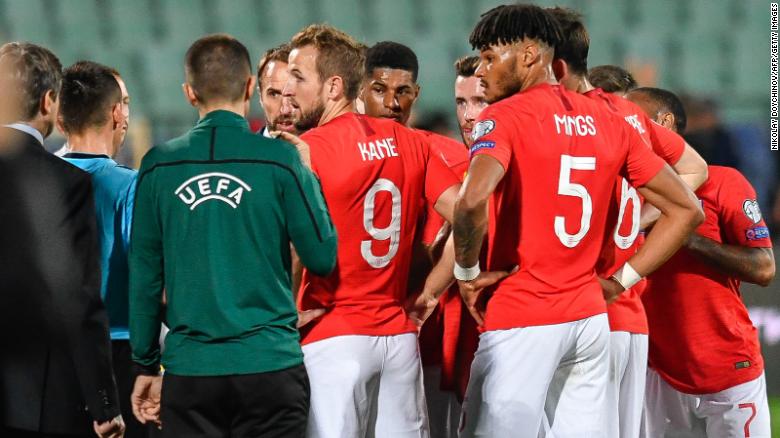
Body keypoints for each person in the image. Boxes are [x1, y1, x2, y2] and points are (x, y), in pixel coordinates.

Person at [453, 5, 703, 437]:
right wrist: (621, 281)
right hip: (589, 319)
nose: (482, 72)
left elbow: (472, 200)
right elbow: (687, 210)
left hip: (524, 312)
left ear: (531, 56)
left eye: (491, 58)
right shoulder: (613, 120)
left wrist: (467, 273)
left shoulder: (505, 116)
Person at [128, 33, 337, 438]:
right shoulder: (281, 159)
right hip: (270, 368)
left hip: (191, 372)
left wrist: (145, 363)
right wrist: (309, 176)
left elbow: (144, 277)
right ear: (249, 88)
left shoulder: (157, 165)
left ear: (189, 93)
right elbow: (322, 256)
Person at [282, 24, 461, 437]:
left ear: (333, 88)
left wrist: (284, 314)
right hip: (398, 337)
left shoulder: (306, 150)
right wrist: (435, 288)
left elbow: (293, 247)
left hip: (333, 334)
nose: (290, 90)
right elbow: (469, 212)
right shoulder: (411, 142)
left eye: (298, 77)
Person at [547, 9, 709, 438]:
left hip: (579, 308)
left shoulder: (567, 120)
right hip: (627, 311)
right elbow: (695, 168)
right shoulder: (628, 120)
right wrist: (638, 213)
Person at [627, 86, 776, 438]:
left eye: (632, 117)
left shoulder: (723, 182)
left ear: (663, 123)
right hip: (658, 374)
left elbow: (764, 268)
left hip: (729, 368)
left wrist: (684, 233)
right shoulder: (625, 194)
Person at [0, 42, 124, 438]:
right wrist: (104, 403)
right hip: (38, 399)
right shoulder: (64, 183)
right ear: (50, 101)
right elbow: (78, 299)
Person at [360, 42, 469, 438]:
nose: (392, 102)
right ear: (359, 88)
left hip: (418, 336)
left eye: (402, 92)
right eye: (379, 89)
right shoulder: (325, 148)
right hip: (362, 331)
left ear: (417, 94)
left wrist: (430, 289)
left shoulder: (445, 155)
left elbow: (471, 218)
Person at [57, 61, 150, 438]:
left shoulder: (40, 181)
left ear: (60, 119)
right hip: (119, 353)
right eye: (125, 101)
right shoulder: (131, 187)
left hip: (54, 356)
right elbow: (146, 273)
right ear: (117, 113)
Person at [257, 43, 298, 137]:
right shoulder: (240, 152)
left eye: (293, 94)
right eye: (274, 94)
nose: (285, 110)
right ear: (260, 96)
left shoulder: (330, 150)